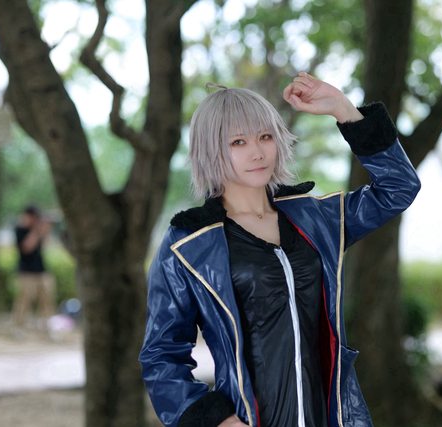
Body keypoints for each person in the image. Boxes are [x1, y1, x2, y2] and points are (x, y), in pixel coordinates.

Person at [139, 72, 421, 427]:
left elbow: (398, 187)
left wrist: (343, 109)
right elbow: (161, 355)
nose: (257, 152)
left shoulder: (315, 219)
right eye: (238, 142)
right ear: (210, 150)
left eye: (265, 137)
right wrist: (216, 420)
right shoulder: (188, 245)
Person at [12, 205, 56, 329]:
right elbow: (27, 247)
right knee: (24, 299)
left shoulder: (38, 230)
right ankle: (19, 325)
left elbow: (46, 245)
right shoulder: (20, 230)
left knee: (47, 299)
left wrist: (45, 230)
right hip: (26, 272)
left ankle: (46, 325)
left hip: (41, 270)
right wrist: (36, 231)